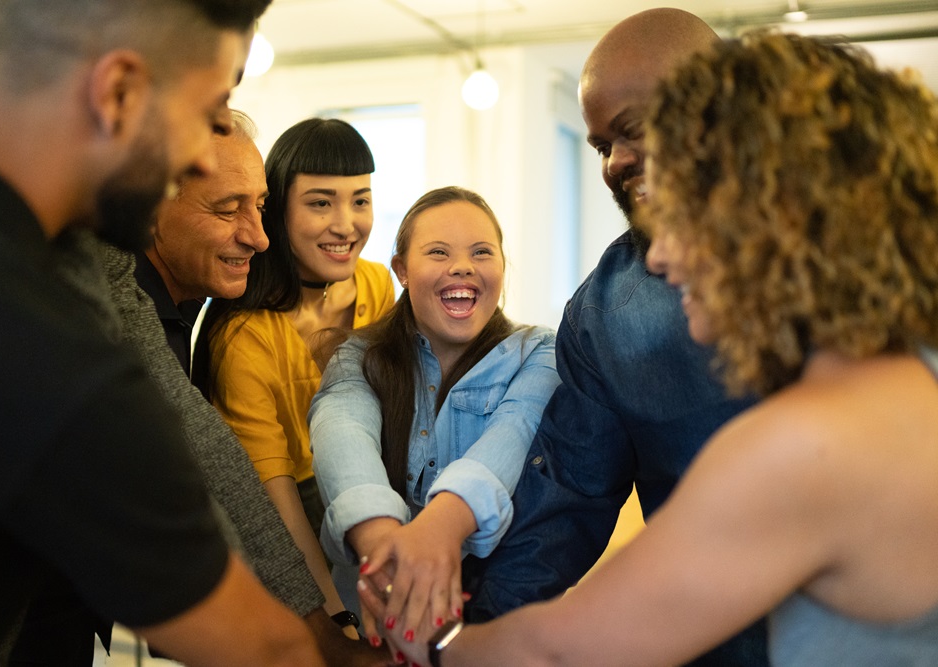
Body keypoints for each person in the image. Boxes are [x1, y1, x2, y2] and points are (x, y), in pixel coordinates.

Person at [382, 30, 938, 667]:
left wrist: (428, 641)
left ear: (779, 217)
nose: (663, 256)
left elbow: (559, 651)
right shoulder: (904, 387)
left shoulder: (803, 446)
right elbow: (569, 496)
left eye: (690, 217)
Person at [0, 0, 325, 664]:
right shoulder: (43, 345)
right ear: (117, 91)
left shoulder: (52, 278)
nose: (206, 157)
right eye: (207, 115)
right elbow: (269, 651)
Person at [12, 111, 387, 665]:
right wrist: (312, 629)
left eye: (258, 207)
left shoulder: (190, 303)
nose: (258, 237)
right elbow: (204, 474)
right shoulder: (122, 300)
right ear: (148, 209)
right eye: (226, 208)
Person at [467, 8, 767, 664]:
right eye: (602, 145)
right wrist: (474, 631)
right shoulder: (606, 308)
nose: (615, 164)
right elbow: (567, 495)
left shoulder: (856, 269)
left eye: (631, 133)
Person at [310, 186, 560, 659]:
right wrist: (383, 547)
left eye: (481, 252)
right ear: (401, 269)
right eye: (438, 252)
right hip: (369, 632)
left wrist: (441, 528)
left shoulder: (540, 352)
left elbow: (514, 430)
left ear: (502, 267)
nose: (463, 266)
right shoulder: (357, 357)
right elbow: (341, 434)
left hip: (494, 632)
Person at [193, 116, 395, 626]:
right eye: (321, 202)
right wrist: (332, 621)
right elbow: (274, 500)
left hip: (370, 502)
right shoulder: (243, 336)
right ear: (277, 208)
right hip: (281, 534)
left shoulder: (377, 286)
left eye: (361, 200)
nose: (347, 224)